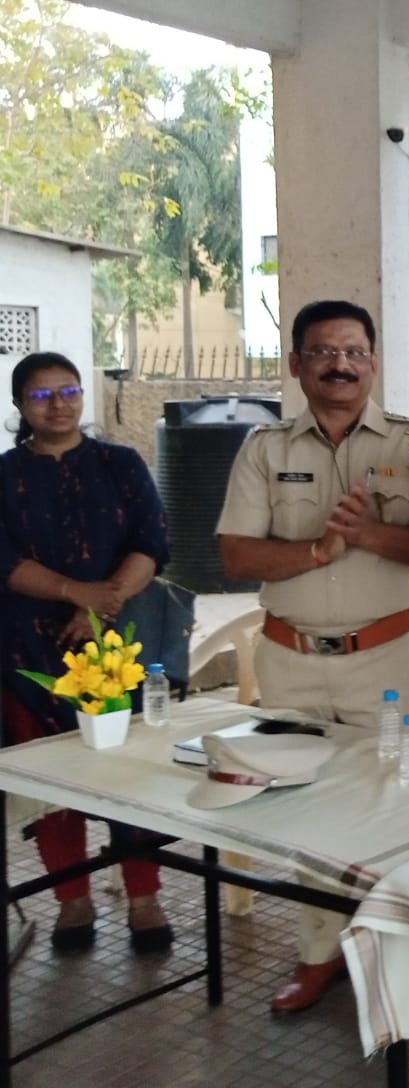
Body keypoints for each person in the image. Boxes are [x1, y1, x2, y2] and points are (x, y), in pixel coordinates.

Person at [217, 299, 409, 1013]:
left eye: (353, 352)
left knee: (398, 807)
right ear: (296, 364)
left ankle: (394, 954)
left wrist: (371, 536)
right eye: (322, 352)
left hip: (385, 663)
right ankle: (319, 954)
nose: (340, 365)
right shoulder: (264, 448)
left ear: (373, 362)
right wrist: (317, 550)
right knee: (306, 812)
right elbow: (235, 554)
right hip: (290, 661)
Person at [0, 352, 174, 955]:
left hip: (117, 646)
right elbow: (3, 561)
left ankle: (144, 896)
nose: (59, 404)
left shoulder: (120, 463)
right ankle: (72, 900)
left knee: (132, 774)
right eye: (41, 395)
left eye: (68, 391)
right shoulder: (4, 475)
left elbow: (152, 541)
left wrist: (102, 605)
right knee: (53, 776)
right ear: (19, 405)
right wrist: (76, 594)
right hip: (28, 651)